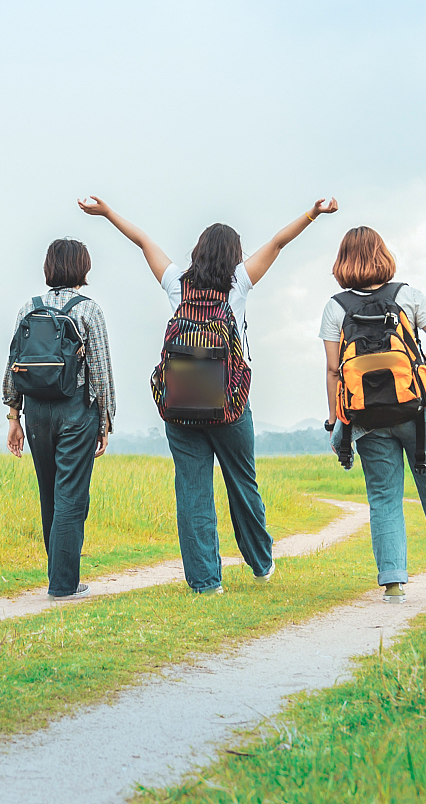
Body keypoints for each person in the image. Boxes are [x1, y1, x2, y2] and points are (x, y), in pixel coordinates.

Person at [79, 195, 337, 594]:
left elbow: (144, 242)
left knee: (192, 491)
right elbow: (279, 243)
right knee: (242, 483)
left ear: (197, 252)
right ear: (234, 257)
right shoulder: (239, 283)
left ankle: (204, 582)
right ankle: (261, 561)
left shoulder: (177, 284)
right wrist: (313, 213)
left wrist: (108, 212)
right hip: (230, 404)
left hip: (180, 401)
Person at [320, 225, 426, 603]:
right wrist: (421, 362)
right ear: (383, 255)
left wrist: (336, 421)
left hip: (368, 419)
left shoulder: (335, 307)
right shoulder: (408, 295)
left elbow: (334, 370)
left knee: (384, 497)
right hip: (416, 413)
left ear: (342, 263)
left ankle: (393, 583)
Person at [3, 238, 114, 600]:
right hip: (75, 412)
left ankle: (59, 576)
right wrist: (105, 421)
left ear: (49, 267)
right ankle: (63, 584)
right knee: (72, 498)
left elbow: (13, 366)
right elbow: (101, 372)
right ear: (83, 267)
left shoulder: (27, 309)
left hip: (35, 413)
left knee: (49, 495)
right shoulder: (88, 310)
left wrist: (13, 416)